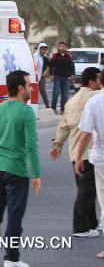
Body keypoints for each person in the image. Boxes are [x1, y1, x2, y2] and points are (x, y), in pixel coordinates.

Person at [0, 70, 41, 267]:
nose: (31, 88)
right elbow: (31, 146)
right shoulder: (26, 112)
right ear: (21, 88)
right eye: (29, 85)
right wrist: (37, 175)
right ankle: (11, 259)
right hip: (16, 171)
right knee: (14, 216)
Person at [51, 67, 101, 237]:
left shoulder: (71, 102)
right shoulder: (96, 98)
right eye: (99, 79)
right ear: (92, 82)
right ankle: (80, 227)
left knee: (87, 190)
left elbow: (63, 126)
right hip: (89, 153)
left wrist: (57, 145)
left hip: (75, 154)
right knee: (87, 192)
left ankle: (92, 224)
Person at [75, 71, 104, 259]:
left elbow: (85, 133)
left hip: (102, 159)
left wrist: (78, 157)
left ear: (100, 81)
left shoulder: (94, 103)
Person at [50, 42, 75, 115]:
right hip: (57, 77)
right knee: (56, 93)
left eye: (63, 46)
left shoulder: (68, 56)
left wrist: (72, 75)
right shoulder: (55, 56)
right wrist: (50, 74)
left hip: (66, 77)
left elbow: (72, 66)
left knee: (65, 95)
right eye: (60, 46)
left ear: (65, 47)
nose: (62, 48)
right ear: (58, 47)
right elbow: (51, 65)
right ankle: (54, 107)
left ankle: (62, 109)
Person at [33, 43, 50, 108]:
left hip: (42, 77)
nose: (44, 51)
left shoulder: (45, 58)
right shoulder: (35, 56)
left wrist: (45, 72)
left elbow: (49, 67)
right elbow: (34, 65)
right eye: (42, 49)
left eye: (45, 50)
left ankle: (47, 105)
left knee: (43, 91)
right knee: (34, 92)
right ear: (39, 49)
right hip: (34, 77)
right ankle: (34, 105)